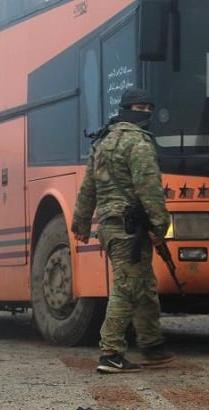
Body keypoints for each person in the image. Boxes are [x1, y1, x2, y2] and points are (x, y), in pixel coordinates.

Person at [71, 87, 174, 374]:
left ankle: (153, 345)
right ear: (128, 109)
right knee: (128, 287)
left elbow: (88, 187)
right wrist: (160, 226)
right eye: (141, 109)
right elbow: (150, 189)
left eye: (148, 109)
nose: (146, 114)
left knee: (142, 283)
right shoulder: (139, 143)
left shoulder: (102, 142)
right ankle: (111, 353)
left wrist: (80, 223)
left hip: (110, 225)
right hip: (130, 227)